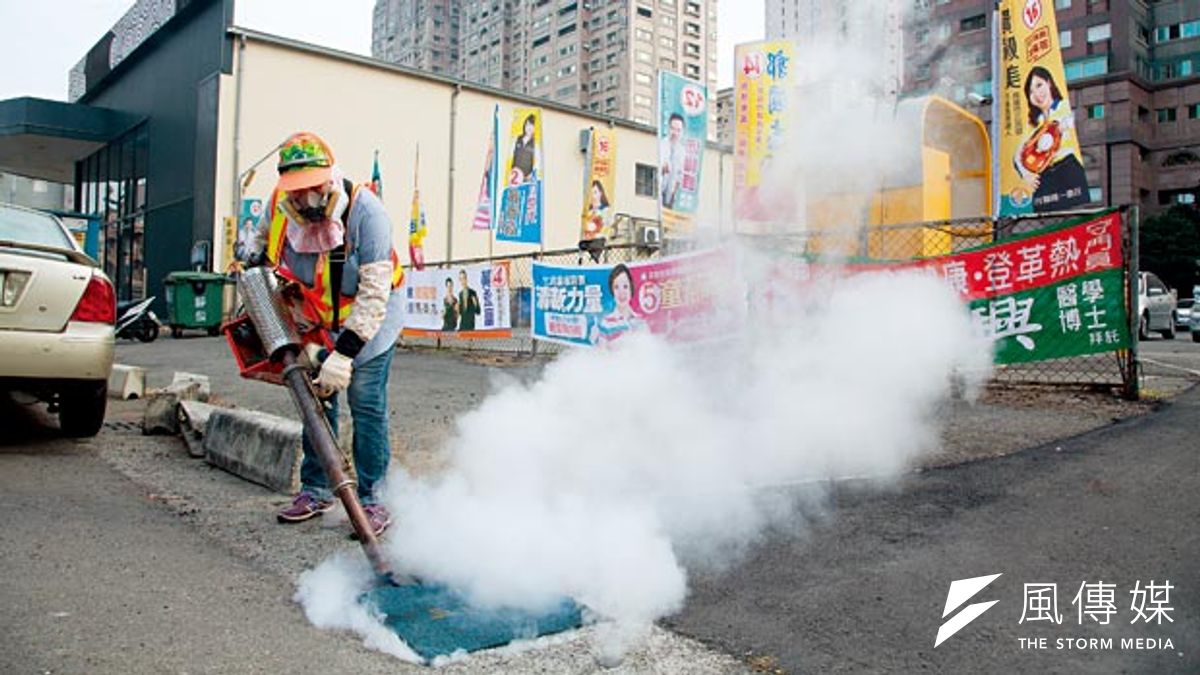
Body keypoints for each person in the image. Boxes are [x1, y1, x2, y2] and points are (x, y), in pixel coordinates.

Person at [249, 131, 405, 537]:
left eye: (312, 188)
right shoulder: (279, 209)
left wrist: (344, 355)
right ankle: (317, 489)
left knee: (366, 403)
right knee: (317, 403)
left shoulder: (366, 213)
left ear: (329, 177)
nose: (305, 199)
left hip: (371, 319)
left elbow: (374, 296)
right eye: (296, 191)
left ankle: (374, 499)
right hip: (316, 318)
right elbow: (254, 252)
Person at [1013, 66, 1089, 212]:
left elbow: (1072, 123)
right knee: (1043, 219)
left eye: (1039, 85)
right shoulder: (1033, 122)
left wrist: (1060, 127)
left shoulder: (1065, 107)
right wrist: (1026, 174)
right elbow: (1017, 155)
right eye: (1031, 91)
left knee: (1076, 215)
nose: (1037, 94)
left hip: (1068, 169)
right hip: (1044, 177)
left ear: (1049, 83)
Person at [590, 264, 647, 345]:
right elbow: (602, 354)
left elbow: (646, 350)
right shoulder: (606, 323)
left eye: (625, 286)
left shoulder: (641, 322)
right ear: (612, 291)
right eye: (616, 287)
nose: (621, 292)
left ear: (631, 288)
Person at [659, 112, 686, 209]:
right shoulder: (661, 145)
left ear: (682, 132)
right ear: (668, 128)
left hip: (672, 198)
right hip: (659, 194)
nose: (675, 133)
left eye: (678, 130)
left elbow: (680, 175)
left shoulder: (682, 151)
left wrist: (675, 191)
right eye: (672, 129)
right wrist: (662, 168)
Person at [510, 113, 538, 184]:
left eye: (531, 125)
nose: (529, 127)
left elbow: (536, 161)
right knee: (513, 194)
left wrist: (530, 175)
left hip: (527, 178)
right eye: (527, 124)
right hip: (514, 176)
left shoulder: (535, 142)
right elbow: (513, 155)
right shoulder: (518, 139)